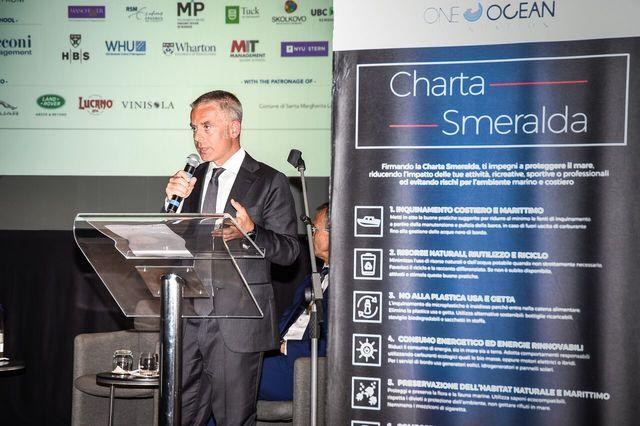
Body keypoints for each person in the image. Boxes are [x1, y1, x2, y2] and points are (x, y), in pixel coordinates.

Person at [164, 90, 301, 425]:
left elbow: (289, 251)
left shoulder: (269, 181)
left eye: (206, 127)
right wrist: (172, 206)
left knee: (233, 419)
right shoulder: (192, 180)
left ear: (234, 128)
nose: (197, 137)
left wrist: (251, 232)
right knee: (179, 417)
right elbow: (174, 244)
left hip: (238, 322)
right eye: (194, 128)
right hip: (189, 318)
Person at [258, 202, 330, 401]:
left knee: (232, 376)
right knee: (222, 370)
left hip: (302, 367)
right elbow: (284, 324)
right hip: (279, 358)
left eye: (315, 230)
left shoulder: (348, 290)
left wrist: (285, 347)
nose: (310, 235)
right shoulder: (310, 280)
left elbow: (339, 346)